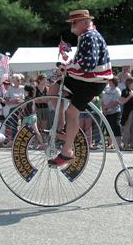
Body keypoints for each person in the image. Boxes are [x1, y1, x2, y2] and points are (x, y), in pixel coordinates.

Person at [48, 9, 113, 165]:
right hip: (84, 79)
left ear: (84, 22)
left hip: (92, 82)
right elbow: (83, 63)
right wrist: (68, 67)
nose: (72, 26)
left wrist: (68, 68)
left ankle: (67, 152)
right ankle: (63, 128)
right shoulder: (85, 36)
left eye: (74, 22)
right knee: (53, 89)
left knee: (72, 111)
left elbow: (88, 64)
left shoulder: (90, 37)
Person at [101, 76, 122, 149]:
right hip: (106, 112)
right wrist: (104, 109)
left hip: (115, 112)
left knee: (116, 126)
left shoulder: (117, 90)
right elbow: (102, 100)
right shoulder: (106, 89)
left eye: (110, 81)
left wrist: (107, 108)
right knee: (108, 128)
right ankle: (110, 144)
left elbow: (116, 102)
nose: (109, 82)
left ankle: (118, 143)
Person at [121, 77, 133, 150]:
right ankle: (125, 144)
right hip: (128, 112)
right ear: (129, 83)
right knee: (127, 129)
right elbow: (122, 101)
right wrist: (129, 96)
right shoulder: (125, 91)